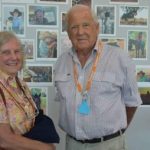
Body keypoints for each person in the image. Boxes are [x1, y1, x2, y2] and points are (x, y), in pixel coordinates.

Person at [54, 4, 142, 150]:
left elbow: (132, 103)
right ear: (68, 33)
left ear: (97, 28)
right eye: (74, 27)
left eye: (86, 25)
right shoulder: (61, 62)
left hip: (109, 144)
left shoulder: (119, 58)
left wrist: (113, 134)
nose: (80, 32)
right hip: (72, 144)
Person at [0, 31, 56, 150]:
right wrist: (45, 148)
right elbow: (3, 140)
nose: (14, 57)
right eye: (6, 52)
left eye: (17, 51)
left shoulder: (21, 84)